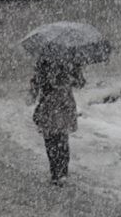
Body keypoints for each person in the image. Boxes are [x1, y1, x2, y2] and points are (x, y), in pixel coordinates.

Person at [30, 58, 85, 186]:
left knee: (51, 140)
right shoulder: (70, 60)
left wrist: (36, 90)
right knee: (61, 139)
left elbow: (36, 83)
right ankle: (62, 172)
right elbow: (80, 82)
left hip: (50, 106)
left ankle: (56, 172)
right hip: (63, 104)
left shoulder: (44, 61)